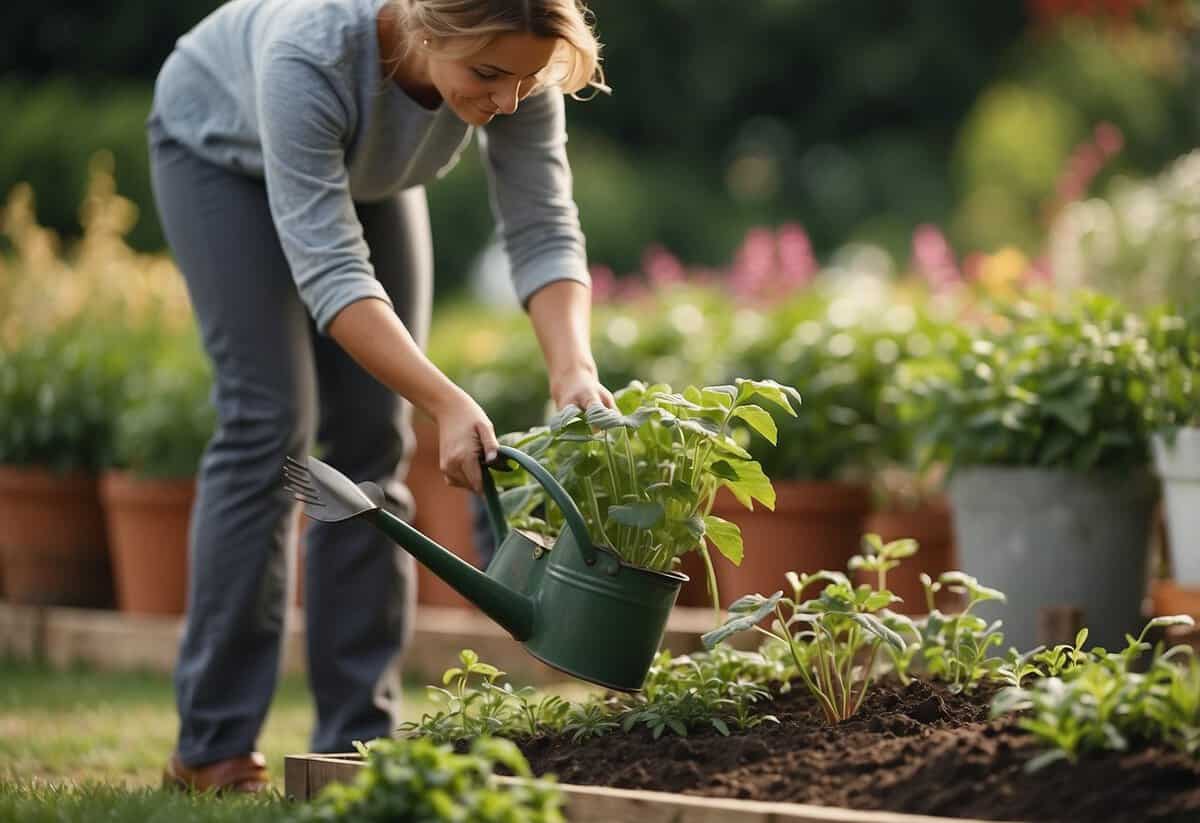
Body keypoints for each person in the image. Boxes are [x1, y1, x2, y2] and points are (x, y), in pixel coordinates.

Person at [147, 0, 614, 793]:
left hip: (369, 170)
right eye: (489, 75)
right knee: (270, 426)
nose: (506, 99)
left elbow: (542, 224)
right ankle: (212, 747)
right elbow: (332, 274)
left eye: (526, 80)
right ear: (427, 27)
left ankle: (355, 742)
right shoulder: (312, 54)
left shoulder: (513, 69)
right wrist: (446, 398)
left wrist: (572, 368)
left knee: (373, 439)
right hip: (218, 152)